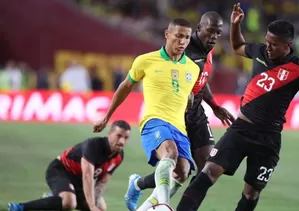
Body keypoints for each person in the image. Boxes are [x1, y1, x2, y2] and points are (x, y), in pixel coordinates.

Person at [175, 3, 299, 211]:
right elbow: (237, 47)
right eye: (267, 41)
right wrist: (235, 25)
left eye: (274, 44)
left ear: (287, 45)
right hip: (240, 129)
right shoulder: (259, 52)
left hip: (268, 139)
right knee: (208, 172)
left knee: (251, 193)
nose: (268, 47)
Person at [124, 11, 235, 211]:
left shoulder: (208, 49)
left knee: (208, 169)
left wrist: (215, 106)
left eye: (218, 33)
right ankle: (160, 202)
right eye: (210, 31)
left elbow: (201, 80)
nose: (214, 37)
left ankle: (141, 187)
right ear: (199, 29)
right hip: (177, 115)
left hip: (197, 114)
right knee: (176, 163)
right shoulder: (185, 51)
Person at [93, 18, 200, 210]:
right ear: (167, 34)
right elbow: (125, 86)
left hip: (179, 126)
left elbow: (184, 94)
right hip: (154, 122)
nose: (183, 41)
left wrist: (189, 99)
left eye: (186, 37)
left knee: (182, 172)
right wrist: (107, 116)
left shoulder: (193, 68)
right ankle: (164, 206)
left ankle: (141, 200)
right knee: (170, 153)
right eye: (178, 36)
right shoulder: (146, 60)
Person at [8, 120, 131, 211]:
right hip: (61, 170)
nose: (121, 141)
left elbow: (102, 182)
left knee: (102, 208)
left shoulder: (119, 156)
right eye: (118, 136)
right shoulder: (94, 146)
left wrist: (95, 204)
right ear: (109, 134)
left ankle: (53, 199)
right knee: (69, 203)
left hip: (77, 180)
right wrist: (92, 206)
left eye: (126, 138)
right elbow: (87, 177)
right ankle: (21, 207)